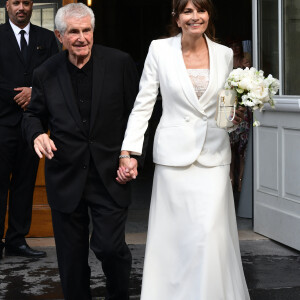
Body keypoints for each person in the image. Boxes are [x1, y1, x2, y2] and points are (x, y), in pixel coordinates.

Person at [117, 0, 250, 299]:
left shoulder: (225, 54)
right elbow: (144, 105)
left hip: (214, 157)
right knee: (175, 239)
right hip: (173, 161)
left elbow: (225, 108)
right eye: (187, 11)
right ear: (176, 18)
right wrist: (129, 152)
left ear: (208, 15)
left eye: (200, 11)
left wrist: (234, 117)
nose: (195, 17)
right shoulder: (159, 50)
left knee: (208, 235)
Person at [22, 3, 145, 300]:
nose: (81, 38)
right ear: (59, 36)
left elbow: (139, 114)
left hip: (110, 174)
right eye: (73, 32)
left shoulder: (119, 63)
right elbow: (32, 114)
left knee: (110, 247)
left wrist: (132, 155)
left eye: (86, 30)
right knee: (72, 259)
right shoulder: (45, 72)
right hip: (65, 175)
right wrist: (37, 134)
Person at [0, 0, 58, 259]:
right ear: (7, 6)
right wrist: (17, 95)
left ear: (32, 6)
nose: (21, 7)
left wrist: (34, 93)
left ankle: (16, 240)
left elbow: (57, 75)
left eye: (25, 2)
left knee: (24, 184)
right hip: (2, 123)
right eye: (15, 3)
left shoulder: (46, 38)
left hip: (32, 127)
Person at [228, 40, 251, 192]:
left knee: (242, 150)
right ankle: (230, 180)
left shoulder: (246, 61)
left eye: (237, 45)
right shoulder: (225, 62)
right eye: (232, 45)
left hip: (244, 108)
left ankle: (242, 183)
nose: (235, 48)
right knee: (229, 148)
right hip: (229, 107)